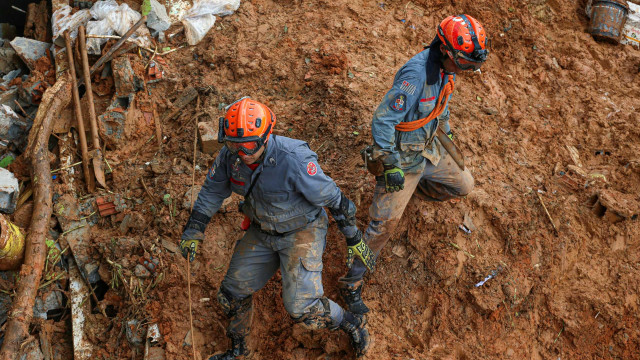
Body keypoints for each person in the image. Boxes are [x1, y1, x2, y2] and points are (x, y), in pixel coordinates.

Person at [179, 98, 373, 359]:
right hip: (262, 230)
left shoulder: (294, 159)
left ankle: (351, 322)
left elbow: (332, 198)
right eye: (234, 144)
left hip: (301, 231)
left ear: (266, 137)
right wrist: (194, 230)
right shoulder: (230, 156)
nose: (241, 152)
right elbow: (212, 191)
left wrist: (353, 237)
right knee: (231, 294)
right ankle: (240, 351)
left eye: (248, 145)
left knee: (302, 308)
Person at [339, 14, 489, 314]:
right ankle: (351, 280)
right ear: (447, 51)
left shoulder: (447, 71)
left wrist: (446, 137)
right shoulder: (417, 74)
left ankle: (414, 193)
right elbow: (383, 120)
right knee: (384, 226)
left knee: (464, 184)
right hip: (402, 159)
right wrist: (390, 164)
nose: (470, 69)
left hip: (428, 149)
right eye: (467, 63)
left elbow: (441, 108)